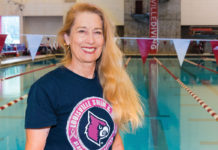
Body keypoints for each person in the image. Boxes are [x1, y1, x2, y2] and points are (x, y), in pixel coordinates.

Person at [25, 3, 144, 150]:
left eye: (97, 32)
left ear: (104, 40)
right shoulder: (45, 89)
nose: (91, 40)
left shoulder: (110, 82)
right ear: (67, 38)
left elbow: (116, 142)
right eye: (82, 31)